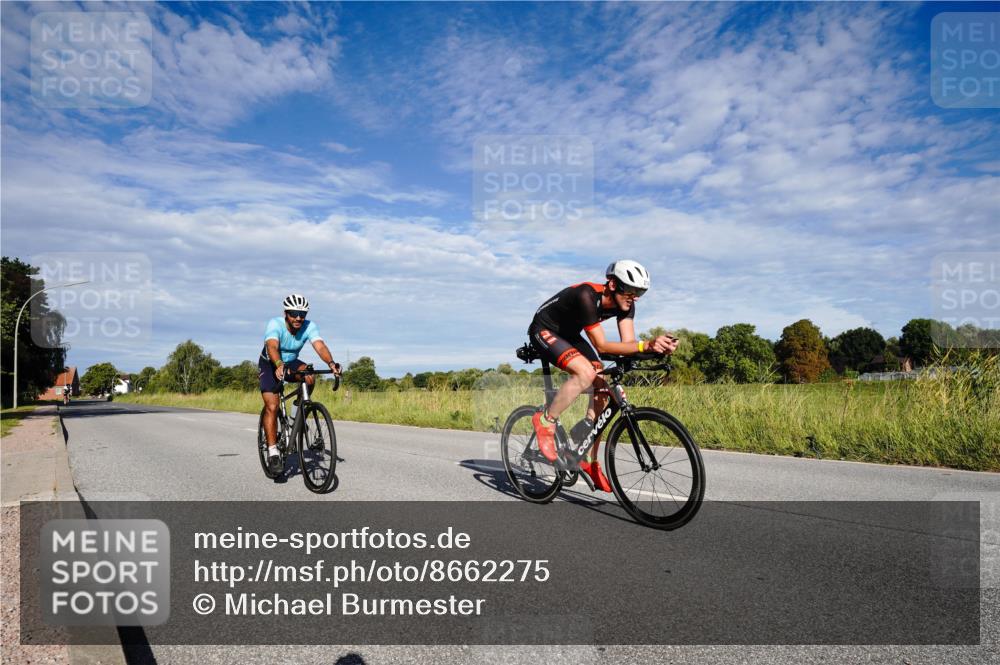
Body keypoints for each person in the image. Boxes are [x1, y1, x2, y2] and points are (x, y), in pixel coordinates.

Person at [528, 260, 678, 492]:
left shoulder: (627, 306)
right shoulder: (586, 295)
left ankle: (586, 454)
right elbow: (602, 346)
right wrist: (646, 344)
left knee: (603, 385)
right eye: (631, 290)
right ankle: (545, 420)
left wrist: (655, 350)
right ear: (612, 284)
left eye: (641, 292)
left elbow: (628, 346)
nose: (635, 297)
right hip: (545, 329)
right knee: (586, 372)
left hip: (570, 334)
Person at [259, 294, 341, 473]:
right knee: (272, 406)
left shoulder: (309, 326)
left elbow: (319, 346)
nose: (298, 317)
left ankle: (296, 412)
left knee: (309, 376)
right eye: (294, 313)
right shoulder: (275, 324)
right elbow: (272, 346)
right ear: (286, 313)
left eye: (302, 314)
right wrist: (279, 365)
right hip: (271, 362)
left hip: (292, 362)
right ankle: (273, 452)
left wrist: (331, 364)